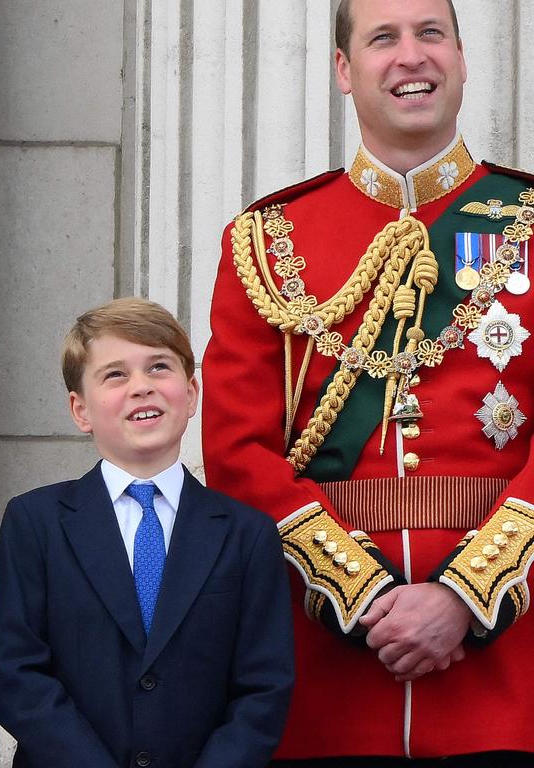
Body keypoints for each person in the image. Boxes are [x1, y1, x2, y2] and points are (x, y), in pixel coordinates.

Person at [202, 0, 534, 764]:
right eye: (383, 38)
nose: (410, 56)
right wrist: (367, 598)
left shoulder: (524, 220)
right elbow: (238, 452)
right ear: (345, 71)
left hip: (506, 689)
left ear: (460, 56)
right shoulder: (269, 239)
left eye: (430, 34)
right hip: (326, 686)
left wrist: (464, 596)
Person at [0, 298, 294, 767]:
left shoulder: (246, 533)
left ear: (191, 394)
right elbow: (17, 672)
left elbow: (263, 686)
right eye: (115, 375)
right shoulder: (36, 522)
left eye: (158, 368)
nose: (141, 388)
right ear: (80, 409)